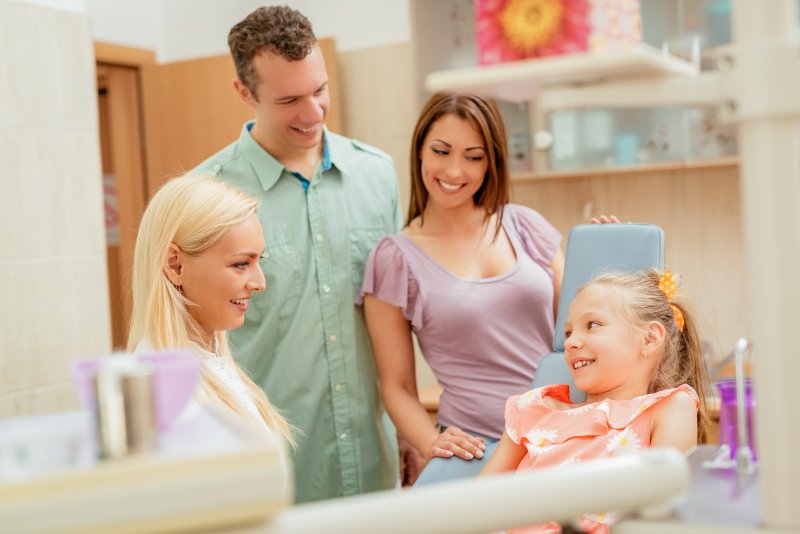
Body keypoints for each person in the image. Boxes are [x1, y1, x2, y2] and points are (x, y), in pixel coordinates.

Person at [193, 6, 403, 502]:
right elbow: (187, 339)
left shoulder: (378, 175)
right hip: (265, 476)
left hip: (375, 467)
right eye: (289, 99)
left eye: (320, 90)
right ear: (245, 93)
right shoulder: (205, 194)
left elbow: (397, 319)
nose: (312, 113)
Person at [358, 91, 565, 484]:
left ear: (492, 163)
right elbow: (397, 385)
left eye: (474, 156)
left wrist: (604, 253)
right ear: (420, 150)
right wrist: (429, 442)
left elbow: (581, 325)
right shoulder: (394, 258)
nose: (455, 171)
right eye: (441, 151)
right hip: (475, 450)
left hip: (557, 434)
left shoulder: (524, 225)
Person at [480, 269, 711, 533]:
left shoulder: (668, 408)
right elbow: (478, 502)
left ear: (649, 338)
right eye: (568, 333)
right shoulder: (532, 409)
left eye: (592, 325)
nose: (571, 343)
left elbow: (661, 513)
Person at [126, 174, 294, 459]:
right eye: (241, 264)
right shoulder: (160, 391)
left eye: (258, 261)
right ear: (175, 265)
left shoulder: (209, 365)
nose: (260, 283)